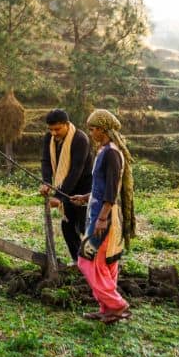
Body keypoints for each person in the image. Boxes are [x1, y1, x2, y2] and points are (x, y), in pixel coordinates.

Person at [70, 109, 136, 324]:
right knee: (105, 264)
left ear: (103, 129)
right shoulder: (106, 151)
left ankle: (117, 305)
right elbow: (103, 187)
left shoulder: (111, 153)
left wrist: (102, 217)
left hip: (104, 217)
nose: (91, 133)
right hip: (99, 211)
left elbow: (111, 190)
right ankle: (107, 309)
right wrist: (86, 197)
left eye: (93, 129)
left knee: (87, 260)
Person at [40, 109, 93, 262]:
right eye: (50, 129)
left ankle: (94, 264)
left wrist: (58, 196)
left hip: (83, 189)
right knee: (67, 228)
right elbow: (45, 161)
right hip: (64, 188)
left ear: (67, 124)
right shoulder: (49, 138)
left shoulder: (80, 139)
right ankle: (79, 262)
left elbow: (76, 170)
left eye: (57, 129)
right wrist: (47, 182)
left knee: (84, 228)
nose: (54, 133)